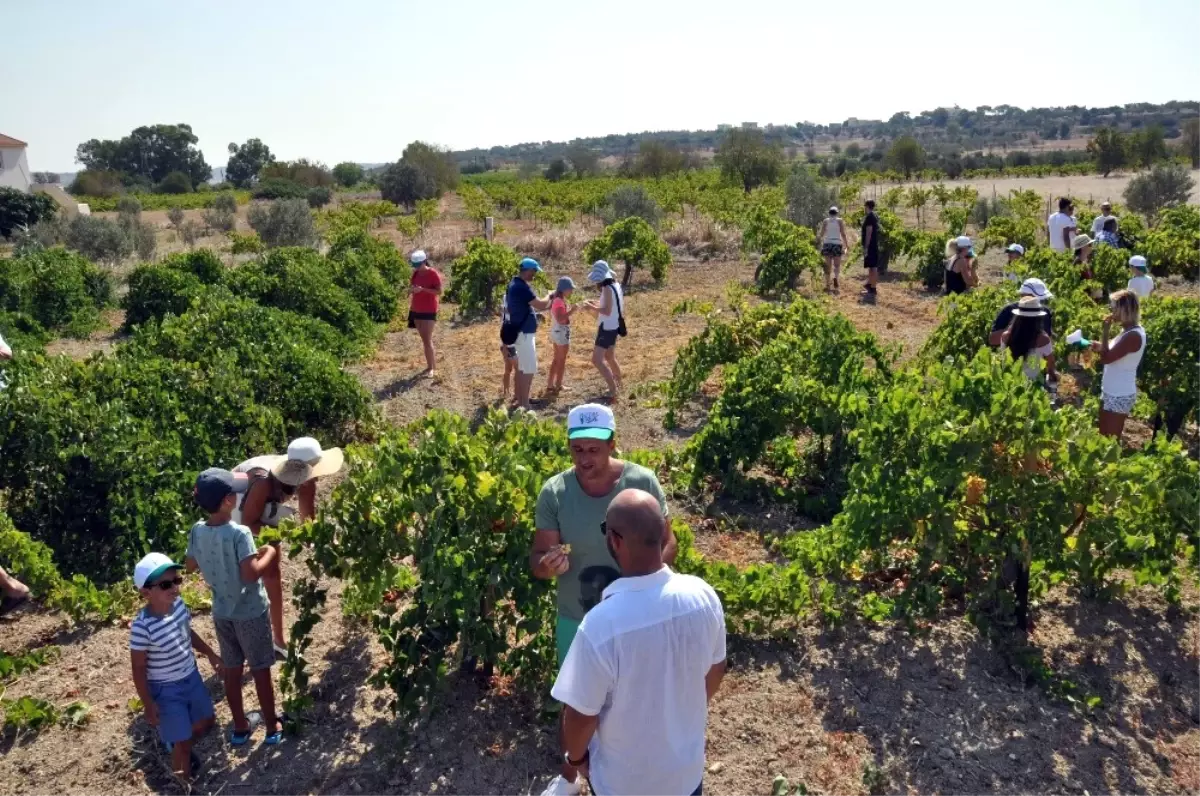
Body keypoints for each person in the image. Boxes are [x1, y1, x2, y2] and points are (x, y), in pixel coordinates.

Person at [531, 404, 676, 796]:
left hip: (636, 616)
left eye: (594, 449)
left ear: (612, 443)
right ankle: (571, 776)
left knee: (630, 699)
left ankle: (624, 766)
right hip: (575, 617)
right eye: (577, 450)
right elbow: (537, 557)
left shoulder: (641, 483)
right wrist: (547, 566)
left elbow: (668, 542)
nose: (585, 459)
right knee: (576, 702)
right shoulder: (555, 492)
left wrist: (638, 591)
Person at [550, 489, 726, 796]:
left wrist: (576, 759)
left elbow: (579, 716)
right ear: (662, 534)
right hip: (685, 777)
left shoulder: (601, 626)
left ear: (615, 541)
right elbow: (715, 670)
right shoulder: (703, 596)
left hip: (624, 784)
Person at [186, 468, 284, 746]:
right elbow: (251, 574)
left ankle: (240, 727)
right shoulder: (240, 533)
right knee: (261, 668)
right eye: (235, 494)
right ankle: (272, 726)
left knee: (232, 668)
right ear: (229, 501)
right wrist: (270, 553)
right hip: (251, 611)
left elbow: (190, 565)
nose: (240, 497)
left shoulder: (197, 531)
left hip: (222, 612)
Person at [232, 437, 343, 656]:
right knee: (266, 572)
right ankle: (276, 641)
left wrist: (324, 541)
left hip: (262, 507)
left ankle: (277, 641)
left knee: (273, 568)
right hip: (236, 505)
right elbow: (247, 522)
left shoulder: (307, 480)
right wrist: (282, 535)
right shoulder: (263, 482)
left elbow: (307, 520)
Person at [129, 553, 221, 786]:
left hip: (190, 676)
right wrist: (148, 704)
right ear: (146, 593)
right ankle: (185, 783)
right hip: (166, 689)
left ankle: (180, 743)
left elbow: (187, 633)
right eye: (166, 584)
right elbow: (138, 668)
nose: (174, 588)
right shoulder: (142, 627)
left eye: (176, 581)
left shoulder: (179, 605)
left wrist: (209, 652)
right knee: (182, 742)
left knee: (207, 721)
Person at [1091, 290, 1145, 438]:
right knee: (1102, 436)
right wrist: (1100, 345)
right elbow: (1111, 350)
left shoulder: (1133, 335)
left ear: (1125, 310)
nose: (1112, 312)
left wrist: (1105, 331)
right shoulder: (1126, 331)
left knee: (1110, 441)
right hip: (1110, 390)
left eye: (1114, 308)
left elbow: (1106, 358)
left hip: (1119, 393)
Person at [503, 257, 553, 411]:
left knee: (523, 368)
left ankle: (521, 400)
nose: (535, 274)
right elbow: (541, 305)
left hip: (520, 332)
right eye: (534, 271)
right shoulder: (522, 287)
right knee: (529, 368)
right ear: (528, 270)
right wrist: (551, 296)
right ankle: (524, 403)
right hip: (524, 334)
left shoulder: (514, 284)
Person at [581, 261, 624, 403]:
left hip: (606, 328)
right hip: (615, 326)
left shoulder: (606, 288)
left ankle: (613, 390)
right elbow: (610, 305)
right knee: (610, 356)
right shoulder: (616, 285)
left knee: (597, 360)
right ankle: (619, 384)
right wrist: (595, 304)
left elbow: (606, 310)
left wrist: (590, 308)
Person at [546, 276, 589, 395]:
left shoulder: (556, 300)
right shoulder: (559, 301)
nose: (572, 291)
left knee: (556, 359)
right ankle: (558, 385)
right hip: (561, 332)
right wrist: (572, 311)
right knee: (561, 360)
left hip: (555, 331)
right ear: (564, 289)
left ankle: (550, 384)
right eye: (570, 289)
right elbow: (560, 318)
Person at [1000, 297, 1057, 381]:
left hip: (1011, 383)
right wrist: (1053, 376)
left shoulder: (1006, 336)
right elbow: (1050, 363)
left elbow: (1004, 360)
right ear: (1038, 318)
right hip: (1033, 386)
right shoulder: (1043, 339)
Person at [989, 278, 1055, 346]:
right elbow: (993, 340)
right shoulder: (1008, 310)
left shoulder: (1045, 312)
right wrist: (1016, 328)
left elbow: (1048, 341)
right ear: (1023, 295)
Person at [407, 249, 442, 376]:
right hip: (416, 309)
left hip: (429, 309)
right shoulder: (415, 274)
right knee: (424, 340)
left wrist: (423, 290)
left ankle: (432, 368)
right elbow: (411, 288)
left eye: (418, 265)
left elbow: (438, 292)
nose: (416, 268)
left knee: (427, 339)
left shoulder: (433, 274)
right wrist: (412, 290)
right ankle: (430, 366)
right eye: (414, 265)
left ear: (424, 262)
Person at [817, 206, 850, 292]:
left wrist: (818, 242)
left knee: (828, 266)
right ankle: (835, 278)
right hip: (837, 244)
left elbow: (821, 234)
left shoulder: (825, 221)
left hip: (827, 244)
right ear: (837, 213)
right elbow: (843, 234)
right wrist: (846, 245)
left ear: (829, 213)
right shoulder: (839, 221)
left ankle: (827, 285)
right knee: (837, 265)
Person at [861, 200, 881, 294]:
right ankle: (870, 285)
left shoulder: (869, 217)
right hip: (874, 244)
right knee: (871, 266)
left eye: (865, 206)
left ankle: (873, 288)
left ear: (867, 206)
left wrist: (866, 247)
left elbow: (869, 232)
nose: (864, 208)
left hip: (871, 245)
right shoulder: (874, 215)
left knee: (873, 267)